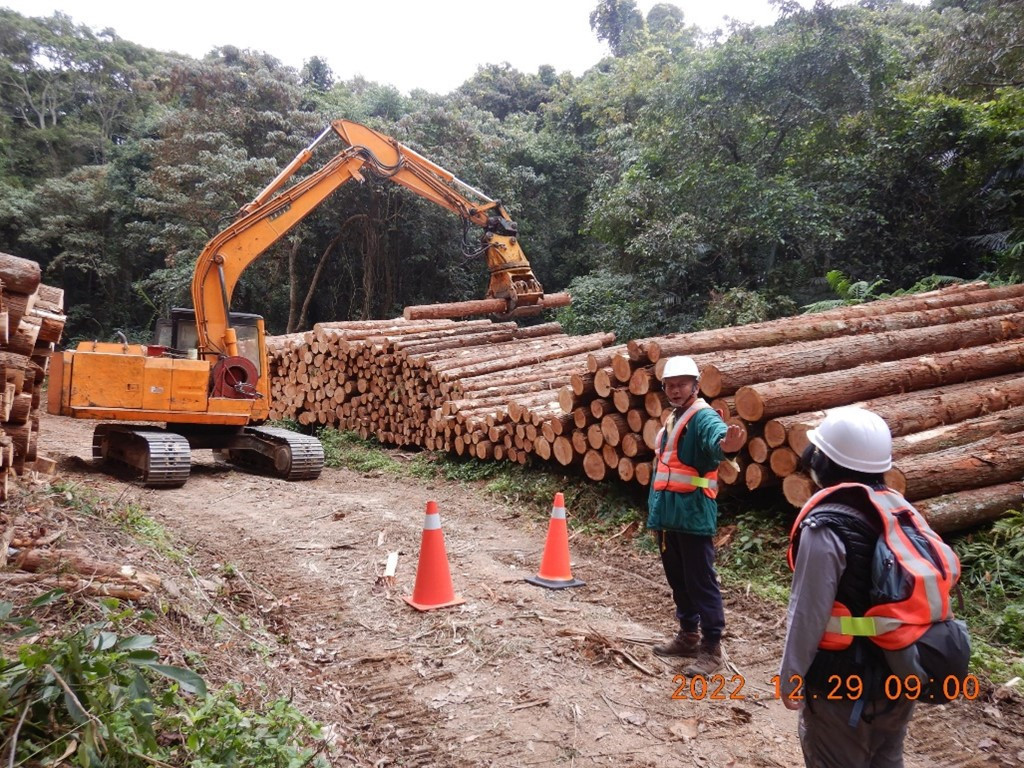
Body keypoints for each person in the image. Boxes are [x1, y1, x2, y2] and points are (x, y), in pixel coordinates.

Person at [779, 407, 918, 767]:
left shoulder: (826, 526)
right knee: (887, 759)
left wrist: (791, 676)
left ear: (824, 461)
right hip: (899, 672)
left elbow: (808, 613)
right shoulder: (899, 511)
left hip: (843, 684)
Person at [648, 355, 744, 676]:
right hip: (669, 516)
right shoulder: (674, 417)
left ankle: (712, 648)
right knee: (679, 580)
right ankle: (689, 635)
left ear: (695, 386)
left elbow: (716, 441)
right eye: (670, 385)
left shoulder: (702, 418)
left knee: (701, 582)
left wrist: (726, 444)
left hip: (692, 515)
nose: (675, 390)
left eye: (681, 385)